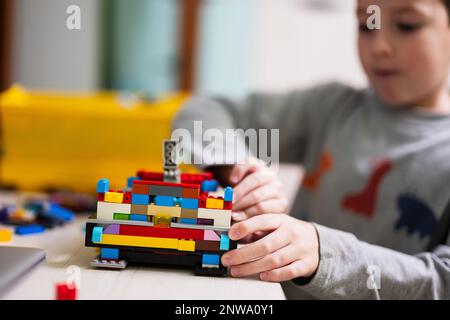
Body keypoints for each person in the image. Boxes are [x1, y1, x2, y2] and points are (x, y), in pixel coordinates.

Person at [172, 0, 450, 299]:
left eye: (407, 25)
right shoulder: (331, 107)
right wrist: (236, 168)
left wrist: (324, 253)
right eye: (366, 24)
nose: (379, 45)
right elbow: (200, 112)